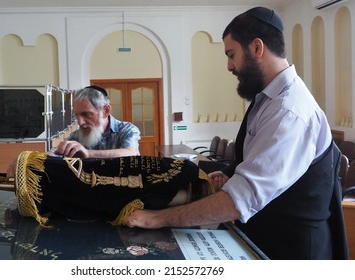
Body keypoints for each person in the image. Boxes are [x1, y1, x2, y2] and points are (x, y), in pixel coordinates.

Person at [126, 7, 349, 260]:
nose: (229, 66)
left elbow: (238, 201)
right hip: (265, 238)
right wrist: (232, 173)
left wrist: (156, 219)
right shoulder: (268, 99)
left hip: (289, 252)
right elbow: (262, 162)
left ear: (256, 48)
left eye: (231, 55)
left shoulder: (289, 111)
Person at [54, 85, 141, 158]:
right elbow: (57, 154)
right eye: (76, 115)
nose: (80, 122)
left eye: (86, 114)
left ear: (105, 111)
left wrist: (88, 153)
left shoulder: (127, 129)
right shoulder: (76, 136)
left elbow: (130, 153)